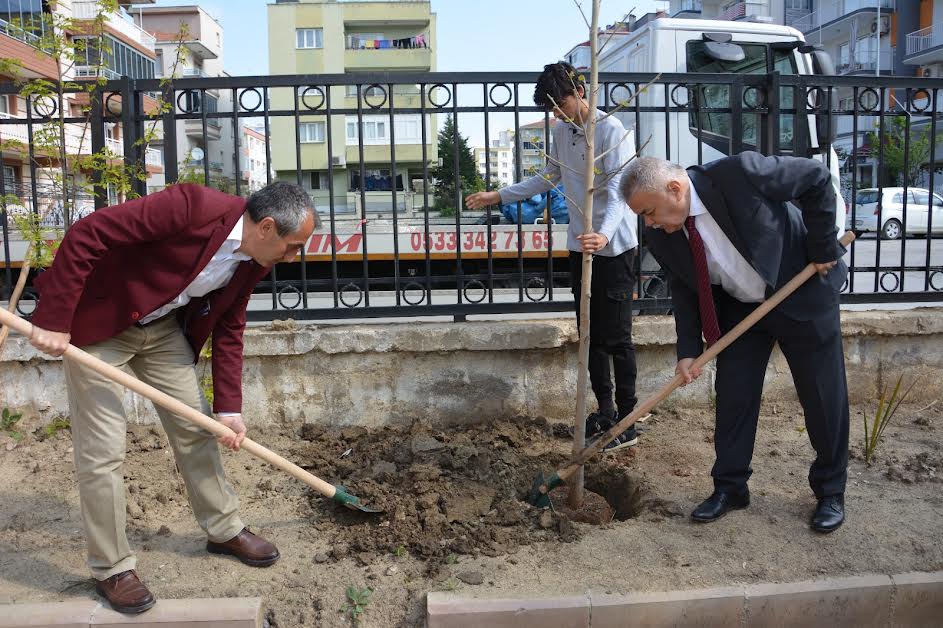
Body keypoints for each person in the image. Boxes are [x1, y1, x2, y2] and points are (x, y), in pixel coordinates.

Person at [28, 181, 319, 613]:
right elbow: (89, 233)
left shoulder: (255, 259)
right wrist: (55, 318)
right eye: (293, 246)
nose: (293, 257)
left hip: (161, 331)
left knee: (196, 428)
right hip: (101, 326)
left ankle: (223, 529)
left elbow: (230, 325)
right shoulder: (192, 207)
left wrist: (228, 409)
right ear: (267, 227)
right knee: (103, 451)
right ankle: (111, 568)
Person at [619, 153, 849, 533]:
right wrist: (688, 351)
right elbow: (684, 288)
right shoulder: (661, 235)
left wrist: (823, 246)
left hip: (800, 291)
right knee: (733, 397)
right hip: (742, 310)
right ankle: (730, 487)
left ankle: (830, 491)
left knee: (823, 397)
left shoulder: (738, 174)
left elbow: (816, 177)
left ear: (674, 189)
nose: (648, 223)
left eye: (649, 211)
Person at [466, 62, 640, 450]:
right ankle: (605, 410)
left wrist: (604, 234)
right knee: (589, 334)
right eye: (551, 109)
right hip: (580, 246)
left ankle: (628, 419)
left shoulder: (612, 131)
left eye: (560, 104)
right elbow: (549, 177)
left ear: (579, 92)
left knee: (617, 337)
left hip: (614, 247)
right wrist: (499, 196)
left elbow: (619, 192)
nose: (556, 114)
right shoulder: (562, 132)